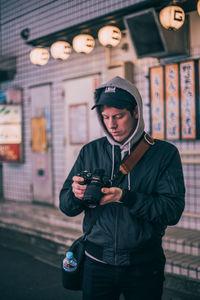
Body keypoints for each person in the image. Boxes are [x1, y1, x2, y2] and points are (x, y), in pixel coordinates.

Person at [59, 76, 185, 300]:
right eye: (105, 117)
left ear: (136, 112)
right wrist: (77, 195)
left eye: (118, 116)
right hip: (97, 263)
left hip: (144, 265)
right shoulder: (91, 151)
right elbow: (67, 206)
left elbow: (171, 211)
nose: (112, 125)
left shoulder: (164, 154)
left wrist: (125, 197)